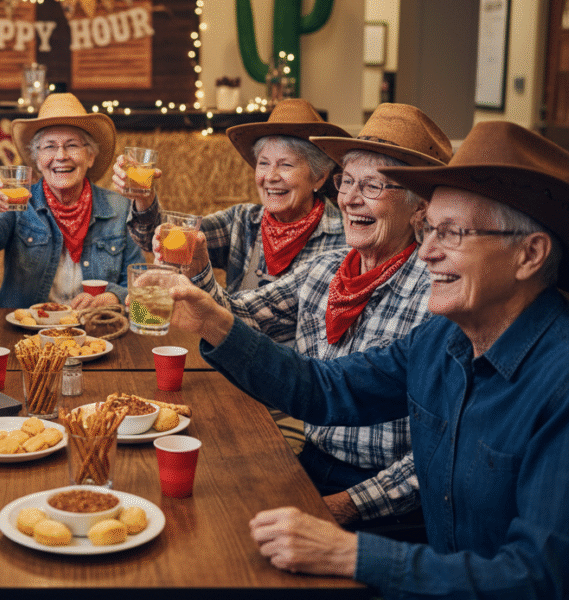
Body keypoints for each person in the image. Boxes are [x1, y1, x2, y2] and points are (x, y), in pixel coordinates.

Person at [169, 120, 569, 597]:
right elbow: (325, 389)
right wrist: (214, 323)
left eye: (452, 234)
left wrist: (349, 553)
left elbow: (538, 577)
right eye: (430, 230)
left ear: (530, 254)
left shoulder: (558, 382)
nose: (427, 253)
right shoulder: (444, 338)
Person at [214, 104, 453, 528]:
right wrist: (189, 279)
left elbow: (439, 451)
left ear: (421, 207)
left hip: (388, 503)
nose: (350, 198)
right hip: (310, 456)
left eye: (373, 185)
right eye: (348, 182)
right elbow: (241, 316)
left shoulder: (437, 295)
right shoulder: (325, 267)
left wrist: (344, 505)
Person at [114, 98, 349, 302]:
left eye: (285, 165)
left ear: (319, 177)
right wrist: (144, 198)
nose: (270, 177)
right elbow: (160, 238)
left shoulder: (344, 238)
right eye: (264, 163)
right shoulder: (242, 221)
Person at [0, 93, 143, 309]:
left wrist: (112, 298)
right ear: (37, 159)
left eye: (72, 145)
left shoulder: (120, 207)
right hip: (25, 325)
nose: (61, 156)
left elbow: (138, 283)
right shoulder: (19, 200)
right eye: (49, 147)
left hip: (92, 326)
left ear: (90, 156)